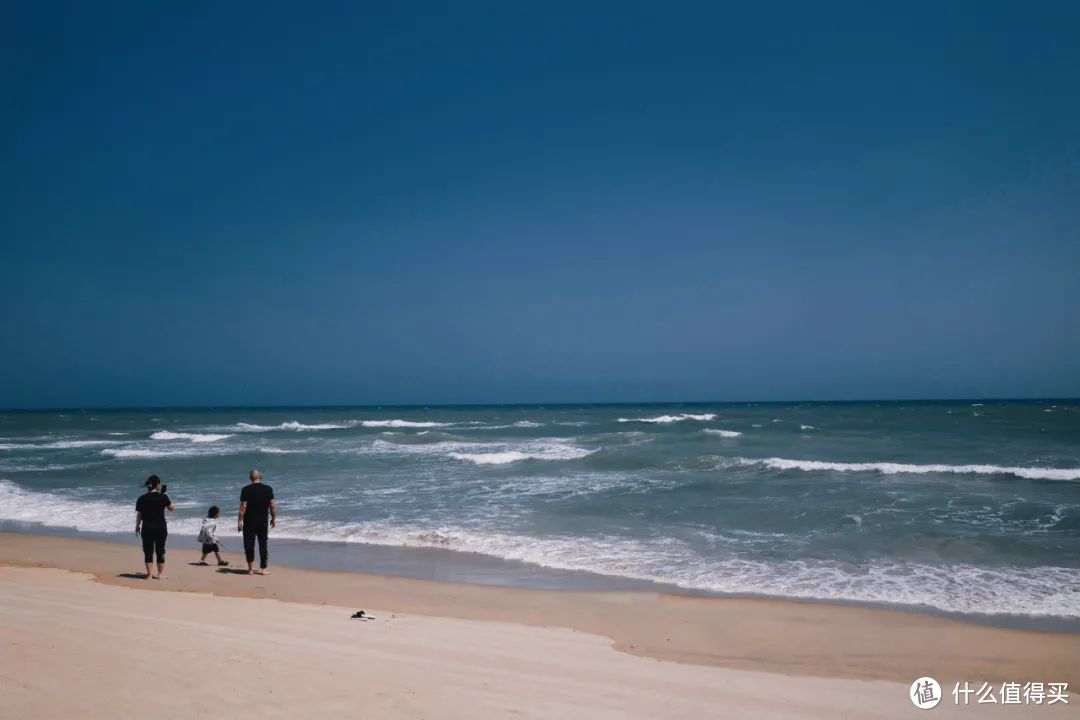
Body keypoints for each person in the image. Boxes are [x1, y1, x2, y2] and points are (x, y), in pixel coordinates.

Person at [135, 475, 174, 579]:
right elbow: (171, 508)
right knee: (160, 550)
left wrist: (137, 526)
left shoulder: (142, 498)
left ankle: (149, 575)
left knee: (148, 551)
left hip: (147, 527)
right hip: (161, 527)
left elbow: (139, 514)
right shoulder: (163, 497)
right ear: (157, 484)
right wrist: (166, 494)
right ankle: (160, 574)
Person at [237, 469, 275, 575]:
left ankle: (250, 569)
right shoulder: (268, 489)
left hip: (249, 522)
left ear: (250, 478)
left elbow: (243, 507)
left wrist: (239, 521)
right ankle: (263, 569)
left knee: (249, 544)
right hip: (262, 522)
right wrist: (273, 518)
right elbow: (272, 506)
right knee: (263, 544)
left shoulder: (245, 490)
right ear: (261, 477)